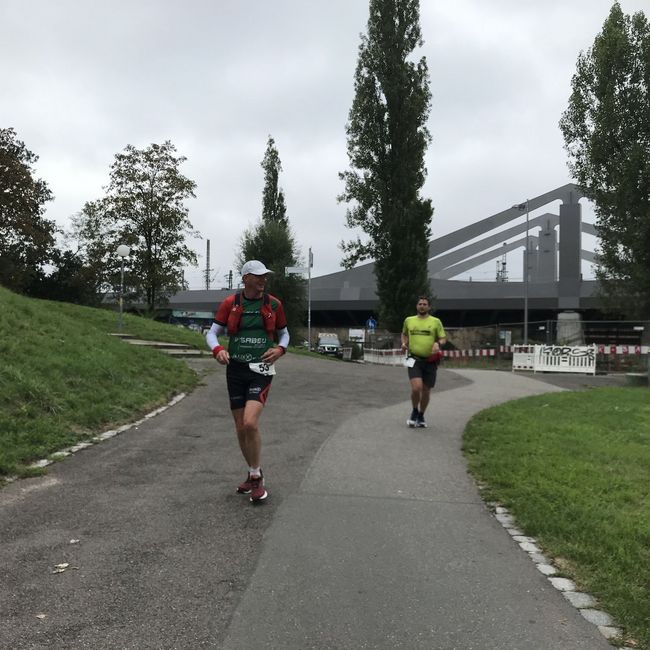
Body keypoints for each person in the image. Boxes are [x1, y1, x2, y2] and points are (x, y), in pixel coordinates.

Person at [206, 260, 290, 504]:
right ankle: (254, 471)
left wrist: (281, 349)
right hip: (235, 370)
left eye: (265, 276)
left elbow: (284, 332)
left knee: (250, 422)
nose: (263, 280)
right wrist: (218, 349)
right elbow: (212, 333)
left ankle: (255, 478)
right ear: (245, 279)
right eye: (257, 276)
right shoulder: (230, 304)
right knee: (240, 428)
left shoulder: (274, 304)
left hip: (261, 370)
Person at [400, 296, 447, 429]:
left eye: (425, 304)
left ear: (429, 307)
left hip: (431, 361)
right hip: (414, 359)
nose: (422, 306)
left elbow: (443, 338)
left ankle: (421, 415)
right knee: (416, 388)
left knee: (426, 391)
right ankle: (414, 410)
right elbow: (404, 334)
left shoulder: (436, 322)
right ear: (416, 306)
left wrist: (438, 343)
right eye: (420, 304)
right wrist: (404, 343)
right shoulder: (409, 320)